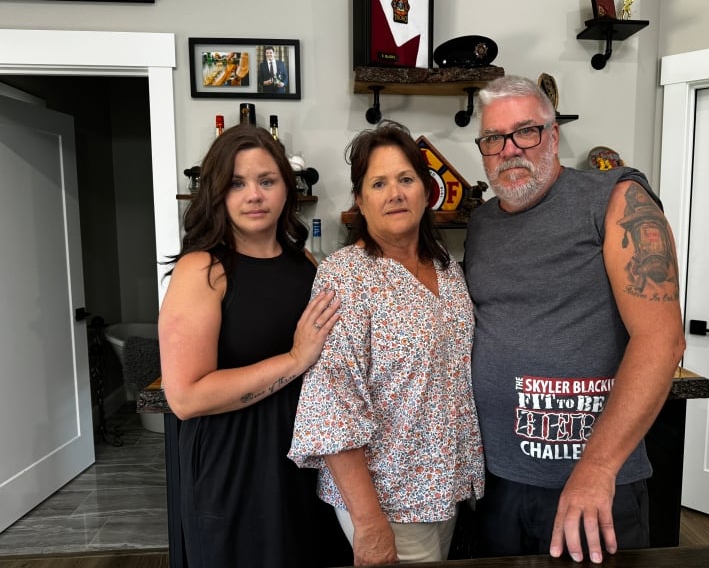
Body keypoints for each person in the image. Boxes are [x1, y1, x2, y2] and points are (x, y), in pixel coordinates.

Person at [463, 76, 686, 564]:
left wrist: (597, 469)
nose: (509, 150)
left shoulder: (615, 198)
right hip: (498, 482)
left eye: (526, 132)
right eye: (493, 138)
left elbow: (661, 340)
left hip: (592, 484)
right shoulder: (480, 224)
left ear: (554, 134)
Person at [288, 120, 485, 565]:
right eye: (379, 183)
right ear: (360, 199)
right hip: (386, 498)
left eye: (406, 179)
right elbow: (332, 406)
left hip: (447, 489)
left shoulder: (449, 271)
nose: (395, 193)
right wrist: (370, 523)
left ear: (425, 191)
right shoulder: (345, 276)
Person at [158, 124, 351, 568]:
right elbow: (185, 397)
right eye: (237, 184)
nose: (254, 195)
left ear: (287, 188)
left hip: (304, 461)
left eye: (267, 181)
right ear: (218, 194)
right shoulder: (203, 269)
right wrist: (295, 359)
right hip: (234, 465)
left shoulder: (303, 263)